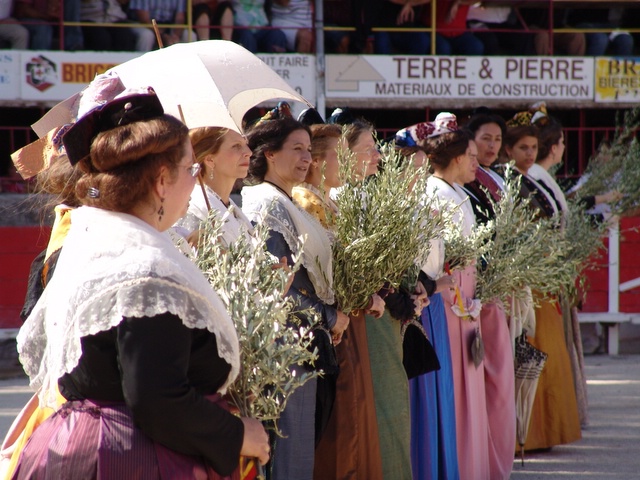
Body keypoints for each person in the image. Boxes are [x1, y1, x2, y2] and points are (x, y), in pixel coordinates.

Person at [10, 92, 270, 479]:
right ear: (162, 181)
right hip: (131, 457)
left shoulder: (100, 237)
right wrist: (237, 435)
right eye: (190, 168)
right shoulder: (144, 268)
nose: (195, 179)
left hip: (83, 443)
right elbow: (156, 396)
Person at [242, 117, 349, 480]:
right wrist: (330, 318)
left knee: (298, 450)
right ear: (270, 154)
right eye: (297, 149)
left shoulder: (287, 201)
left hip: (302, 339)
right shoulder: (266, 204)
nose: (307, 158)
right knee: (288, 453)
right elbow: (277, 286)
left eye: (308, 149)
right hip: (284, 343)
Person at [502, 120, 582, 451]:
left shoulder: (531, 179)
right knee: (532, 349)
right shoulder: (508, 181)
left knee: (547, 352)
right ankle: (528, 434)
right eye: (523, 147)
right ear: (509, 150)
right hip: (527, 277)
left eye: (533, 147)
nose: (529, 153)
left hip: (543, 274)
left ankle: (544, 431)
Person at [313, 118, 386, 480]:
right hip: (332, 317)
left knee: (356, 407)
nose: (375, 156)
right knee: (341, 415)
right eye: (365, 149)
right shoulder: (313, 202)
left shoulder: (329, 200)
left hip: (349, 312)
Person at [421, 115, 491, 480]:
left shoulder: (456, 191)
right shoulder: (436, 192)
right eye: (472, 156)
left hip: (463, 291)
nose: (477, 163)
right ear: (457, 157)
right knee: (456, 381)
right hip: (449, 296)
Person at [462, 111, 516, 480]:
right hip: (477, 289)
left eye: (498, 139)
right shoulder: (465, 185)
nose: (492, 145)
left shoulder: (495, 178)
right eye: (486, 138)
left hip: (496, 285)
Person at [174, 126, 253, 246]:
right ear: (210, 159)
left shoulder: (231, 207)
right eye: (236, 146)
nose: (249, 152)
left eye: (245, 144)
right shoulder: (194, 209)